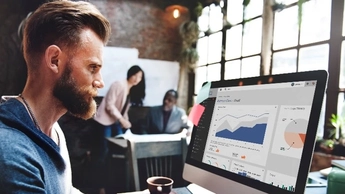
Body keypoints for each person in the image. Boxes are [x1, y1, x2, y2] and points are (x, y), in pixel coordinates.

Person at [0, 1, 111, 193]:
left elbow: (66, 190)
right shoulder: (12, 152)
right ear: (54, 60)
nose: (99, 82)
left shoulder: (53, 130)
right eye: (92, 68)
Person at [93, 65, 145, 137]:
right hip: (105, 120)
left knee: (120, 143)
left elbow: (124, 109)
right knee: (106, 145)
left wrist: (126, 121)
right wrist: (122, 120)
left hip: (116, 121)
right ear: (130, 74)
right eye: (135, 75)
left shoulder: (131, 90)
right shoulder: (119, 84)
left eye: (140, 77)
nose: (137, 79)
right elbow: (109, 104)